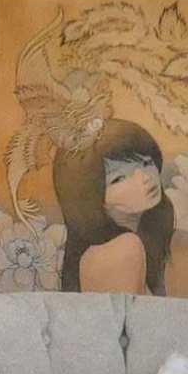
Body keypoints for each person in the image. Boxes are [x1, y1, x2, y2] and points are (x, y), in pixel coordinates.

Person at [55, 121, 176, 296]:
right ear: (90, 195)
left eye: (145, 163)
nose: (144, 178)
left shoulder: (128, 239)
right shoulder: (122, 248)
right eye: (119, 178)